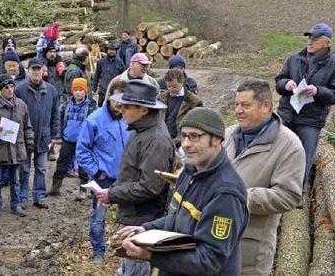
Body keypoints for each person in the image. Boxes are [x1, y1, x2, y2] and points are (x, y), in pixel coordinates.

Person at [117, 107, 249, 275]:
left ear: (216, 139)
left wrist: (151, 255)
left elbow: (209, 260)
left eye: (195, 136)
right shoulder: (190, 172)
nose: (186, 144)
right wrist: (146, 229)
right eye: (184, 136)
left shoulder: (225, 193)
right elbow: (177, 218)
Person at [224, 78, 305, 275]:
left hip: (249, 250)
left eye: (245, 105)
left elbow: (289, 196)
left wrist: (242, 197)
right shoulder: (228, 135)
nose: (238, 110)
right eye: (236, 104)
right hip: (215, 241)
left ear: (266, 106)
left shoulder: (289, 146)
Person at [94, 79, 173, 276]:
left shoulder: (155, 140)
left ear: (144, 110)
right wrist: (112, 194)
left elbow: (150, 186)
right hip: (135, 217)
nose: (121, 110)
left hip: (144, 221)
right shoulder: (140, 130)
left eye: (127, 107)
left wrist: (112, 195)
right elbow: (132, 173)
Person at [275, 23, 335, 183]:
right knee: (276, 154)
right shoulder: (294, 59)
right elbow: (279, 81)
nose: (310, 41)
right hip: (286, 115)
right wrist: (285, 84)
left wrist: (318, 91)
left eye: (315, 39)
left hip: (311, 122)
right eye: (309, 38)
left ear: (327, 43)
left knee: (303, 160)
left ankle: (296, 194)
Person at [76, 79, 130, 264]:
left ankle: (127, 248)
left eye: (124, 100)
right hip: (104, 179)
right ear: (109, 96)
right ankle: (98, 250)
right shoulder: (95, 120)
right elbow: (82, 151)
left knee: (129, 215)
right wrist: (97, 172)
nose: (120, 104)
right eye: (117, 99)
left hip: (127, 178)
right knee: (99, 217)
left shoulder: (129, 118)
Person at [0, 74, 34, 219]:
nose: (10, 90)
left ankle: (16, 205)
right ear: (1, 89)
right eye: (6, 87)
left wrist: (29, 142)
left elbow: (27, 126)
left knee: (16, 180)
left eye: (12, 87)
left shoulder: (22, 105)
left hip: (17, 149)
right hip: (0, 150)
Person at [14, 58, 61, 209]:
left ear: (42, 70)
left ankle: (39, 196)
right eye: (33, 69)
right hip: (25, 137)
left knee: (41, 168)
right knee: (24, 168)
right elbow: (14, 114)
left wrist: (55, 135)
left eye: (38, 69)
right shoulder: (19, 90)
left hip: (44, 136)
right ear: (28, 71)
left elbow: (55, 114)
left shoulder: (51, 90)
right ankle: (22, 197)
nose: (36, 72)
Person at [48, 78, 97, 199]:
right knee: (61, 163)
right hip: (68, 139)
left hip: (84, 142)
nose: (78, 93)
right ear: (72, 91)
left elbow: (96, 124)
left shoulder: (91, 106)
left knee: (84, 167)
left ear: (85, 91)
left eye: (80, 90)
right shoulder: (66, 105)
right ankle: (55, 188)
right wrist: (58, 135)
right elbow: (59, 120)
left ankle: (83, 191)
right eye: (75, 90)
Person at [158, 69, 203, 162]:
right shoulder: (160, 99)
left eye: (174, 86)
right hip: (162, 140)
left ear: (182, 82)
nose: (171, 89)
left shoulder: (193, 101)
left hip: (184, 141)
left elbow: (196, 127)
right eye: (168, 86)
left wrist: (176, 141)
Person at [92, 42, 125, 106]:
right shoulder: (101, 62)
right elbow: (96, 76)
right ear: (107, 50)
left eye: (113, 50)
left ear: (116, 51)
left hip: (115, 91)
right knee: (101, 108)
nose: (111, 51)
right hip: (103, 90)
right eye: (110, 49)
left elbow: (123, 77)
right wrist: (94, 88)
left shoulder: (120, 62)